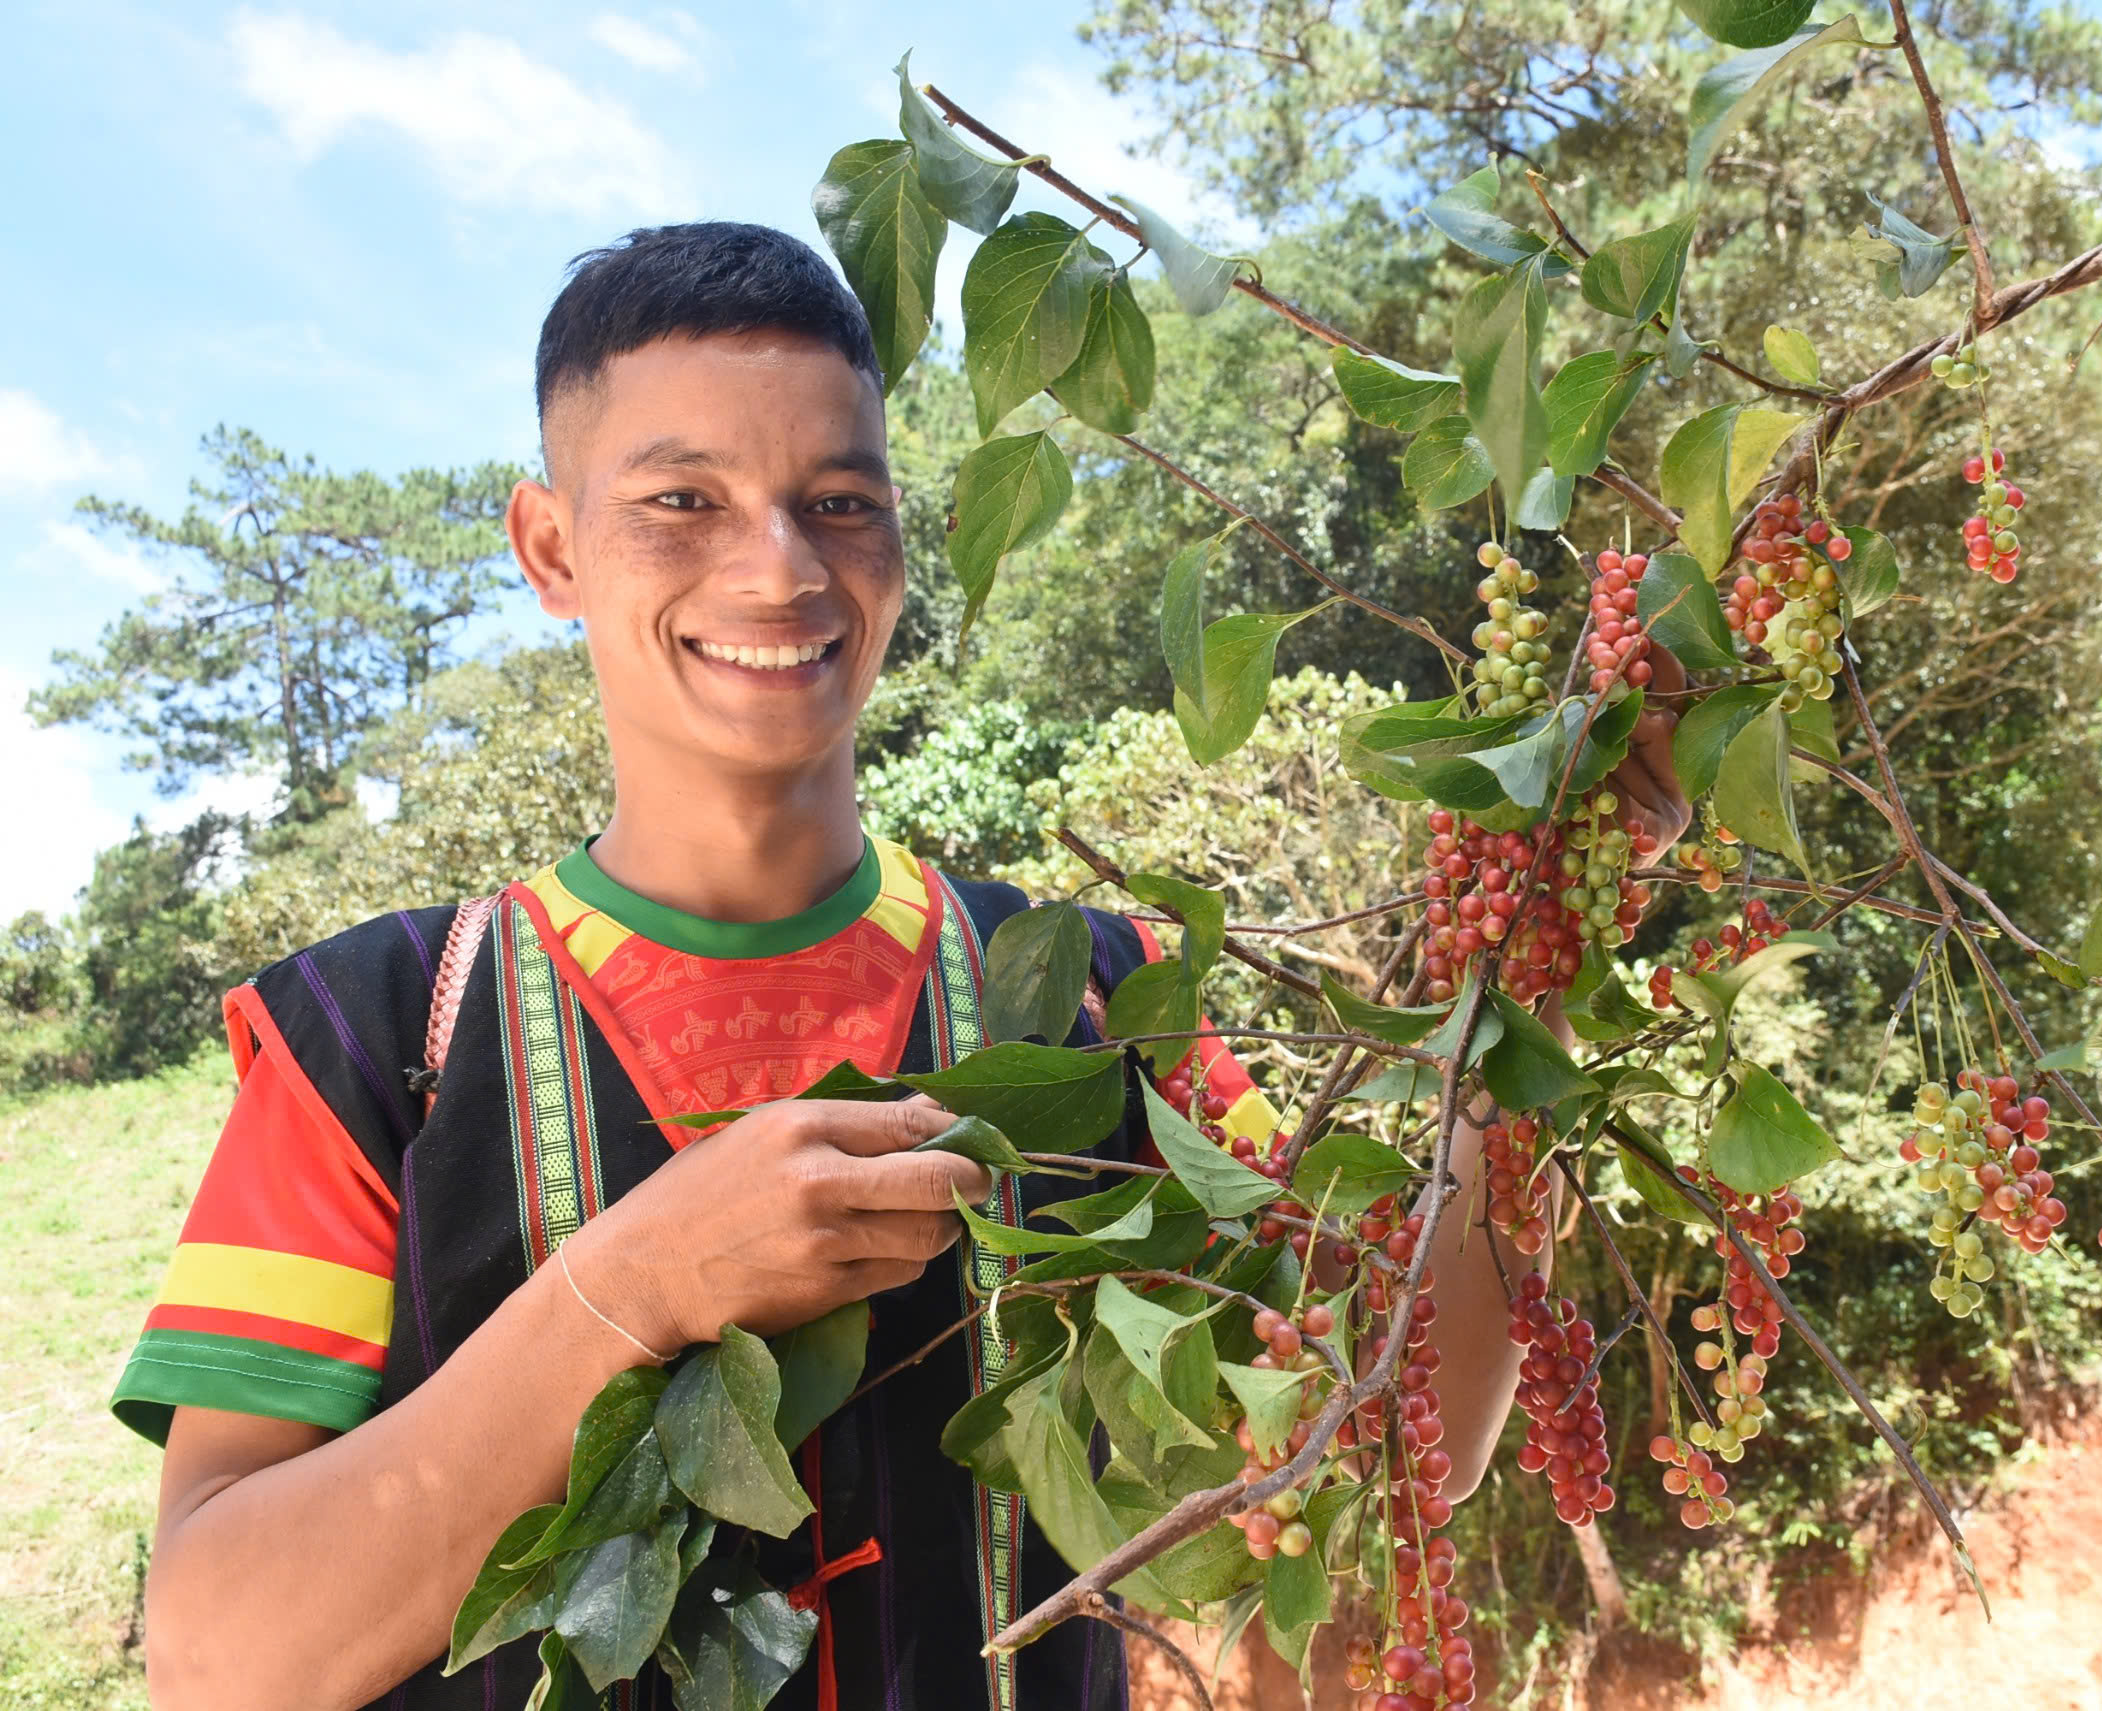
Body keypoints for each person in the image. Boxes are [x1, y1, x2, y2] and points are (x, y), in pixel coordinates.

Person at [112, 221, 1691, 1711]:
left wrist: (1531, 975)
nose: (778, 567)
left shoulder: (1097, 994)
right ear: (550, 547)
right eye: (682, 501)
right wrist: (638, 1285)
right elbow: (214, 1653)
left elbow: (1407, 1424)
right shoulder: (380, 1040)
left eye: (839, 500)